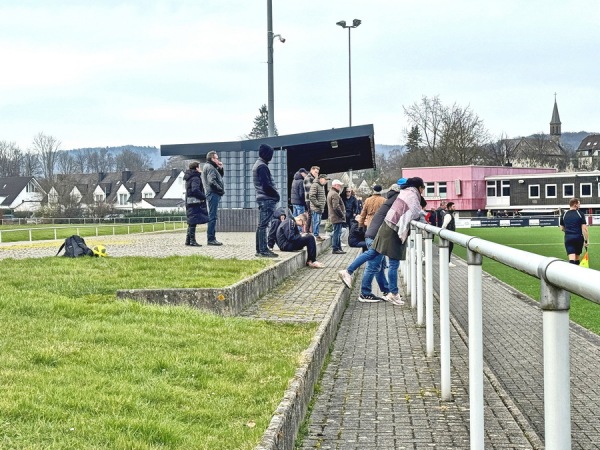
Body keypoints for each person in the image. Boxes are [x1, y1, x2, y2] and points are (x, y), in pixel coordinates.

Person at [338, 180, 404, 304]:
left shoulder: (368, 200)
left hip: (371, 227)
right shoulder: (385, 201)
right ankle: (365, 291)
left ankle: (386, 291)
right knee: (374, 263)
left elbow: (362, 214)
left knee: (379, 264)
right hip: (379, 232)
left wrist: (361, 226)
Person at [370, 177, 427, 303]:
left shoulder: (400, 195)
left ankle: (350, 272)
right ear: (419, 187)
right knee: (384, 263)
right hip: (391, 229)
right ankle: (391, 293)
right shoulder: (409, 196)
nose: (422, 191)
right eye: (423, 188)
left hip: (381, 228)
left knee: (375, 258)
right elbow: (414, 213)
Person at [252, 144, 280, 258]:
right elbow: (266, 185)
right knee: (263, 225)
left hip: (262, 198)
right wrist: (276, 195)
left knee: (261, 225)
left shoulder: (258, 165)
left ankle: (259, 250)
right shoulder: (262, 166)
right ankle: (263, 250)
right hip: (267, 199)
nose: (271, 157)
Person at [201, 150, 225, 246]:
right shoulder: (210, 167)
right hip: (213, 194)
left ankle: (212, 238)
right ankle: (211, 239)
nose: (218, 159)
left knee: (213, 216)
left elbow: (219, 177)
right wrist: (220, 190)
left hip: (212, 193)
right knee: (213, 217)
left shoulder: (210, 167)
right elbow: (212, 181)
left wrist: (220, 168)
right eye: (216, 158)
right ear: (212, 158)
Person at [183, 161, 209, 247]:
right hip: (195, 202)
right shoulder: (195, 178)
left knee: (191, 221)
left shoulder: (189, 177)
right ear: (196, 168)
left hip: (189, 201)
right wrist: (203, 196)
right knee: (193, 221)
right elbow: (195, 190)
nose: (200, 168)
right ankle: (193, 241)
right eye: (199, 167)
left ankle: (188, 240)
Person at [559, 198, 589, 265]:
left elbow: (561, 228)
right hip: (578, 237)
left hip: (568, 238)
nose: (579, 206)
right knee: (577, 258)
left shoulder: (564, 214)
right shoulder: (580, 214)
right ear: (575, 205)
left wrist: (569, 232)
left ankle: (570, 273)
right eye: (579, 204)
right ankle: (576, 273)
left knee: (571, 258)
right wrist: (587, 240)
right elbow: (584, 229)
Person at [327, 179, 346, 254]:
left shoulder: (331, 193)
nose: (340, 187)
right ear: (335, 185)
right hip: (337, 217)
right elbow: (336, 206)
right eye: (339, 185)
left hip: (334, 216)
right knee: (337, 233)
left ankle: (338, 248)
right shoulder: (335, 194)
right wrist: (342, 215)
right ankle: (335, 248)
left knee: (337, 232)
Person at [309, 173, 328, 241]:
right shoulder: (315, 185)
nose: (326, 181)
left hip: (319, 208)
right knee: (316, 221)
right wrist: (318, 204)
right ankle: (315, 236)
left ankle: (316, 235)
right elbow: (311, 196)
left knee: (318, 222)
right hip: (316, 208)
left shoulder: (321, 186)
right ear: (321, 179)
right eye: (325, 180)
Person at [303, 166, 320, 233]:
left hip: (310, 199)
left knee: (311, 215)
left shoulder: (312, 178)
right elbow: (311, 190)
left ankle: (308, 231)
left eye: (317, 173)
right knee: (313, 215)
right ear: (311, 170)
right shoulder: (308, 178)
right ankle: (312, 232)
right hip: (310, 199)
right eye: (315, 172)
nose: (316, 174)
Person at [441, 201, 456, 267]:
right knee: (449, 248)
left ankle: (447, 261)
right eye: (453, 206)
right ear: (449, 207)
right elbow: (444, 225)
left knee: (449, 248)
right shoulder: (448, 215)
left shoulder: (449, 214)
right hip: (449, 234)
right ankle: (448, 262)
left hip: (449, 234)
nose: (455, 207)